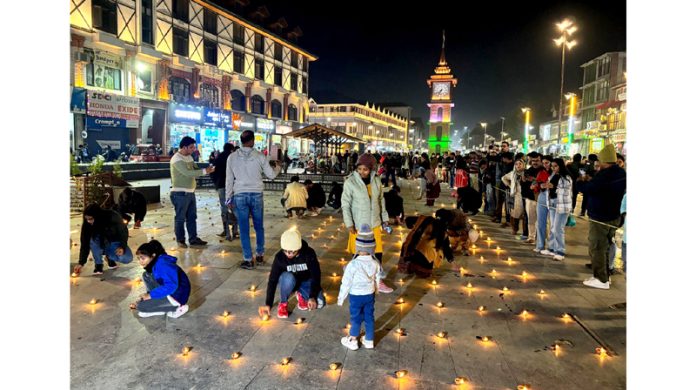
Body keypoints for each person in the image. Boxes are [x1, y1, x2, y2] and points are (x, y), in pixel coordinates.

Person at [226, 130, 281, 270]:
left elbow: (229, 180)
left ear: (241, 141)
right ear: (252, 141)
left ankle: (248, 259)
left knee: (244, 228)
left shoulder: (232, 157)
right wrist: (278, 167)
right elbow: (271, 176)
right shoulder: (260, 156)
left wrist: (228, 198)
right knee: (258, 226)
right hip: (256, 194)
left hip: (240, 194)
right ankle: (260, 254)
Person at [341, 153, 393, 293]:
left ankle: (378, 280)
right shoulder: (350, 182)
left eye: (365, 169)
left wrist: (384, 218)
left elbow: (381, 200)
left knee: (378, 252)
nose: (362, 172)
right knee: (359, 254)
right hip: (359, 225)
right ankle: (354, 277)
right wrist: (349, 223)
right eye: (360, 169)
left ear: (371, 168)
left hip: (375, 223)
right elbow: (345, 205)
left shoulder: (376, 180)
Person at [577, 144, 626, 289]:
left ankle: (601, 279)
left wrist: (581, 181)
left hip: (601, 216)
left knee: (597, 247)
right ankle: (605, 276)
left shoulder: (605, 174)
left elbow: (588, 189)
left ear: (605, 161)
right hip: (614, 215)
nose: (598, 163)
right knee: (605, 247)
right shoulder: (621, 173)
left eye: (599, 161)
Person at [258, 228, 325, 319]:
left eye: (292, 251)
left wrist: (312, 296)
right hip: (289, 280)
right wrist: (268, 304)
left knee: (320, 303)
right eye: (285, 251)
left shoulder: (309, 253)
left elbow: (316, 275)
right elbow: (272, 280)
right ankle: (283, 303)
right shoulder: (279, 257)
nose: (288, 254)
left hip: (305, 281)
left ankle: (300, 294)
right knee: (288, 277)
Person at [338, 225, 383, 350]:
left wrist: (341, 298)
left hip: (356, 296)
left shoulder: (353, 264)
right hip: (369, 294)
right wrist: (377, 290)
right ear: (372, 248)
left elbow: (346, 282)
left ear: (357, 247)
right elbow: (377, 278)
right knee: (369, 316)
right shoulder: (375, 263)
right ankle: (369, 340)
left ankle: (352, 339)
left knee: (356, 317)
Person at [170, 136, 214, 248]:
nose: (193, 149)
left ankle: (193, 239)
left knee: (192, 217)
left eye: (193, 147)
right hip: (179, 193)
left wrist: (207, 169)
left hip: (190, 192)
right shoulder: (176, 159)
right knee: (180, 218)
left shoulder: (189, 157)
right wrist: (205, 171)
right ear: (184, 147)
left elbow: (194, 169)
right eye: (191, 147)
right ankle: (180, 240)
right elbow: (188, 173)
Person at [129, 240, 191, 318]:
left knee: (141, 307)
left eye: (143, 258)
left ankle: (178, 308)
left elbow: (171, 286)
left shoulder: (163, 265)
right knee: (146, 275)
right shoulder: (157, 262)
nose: (140, 262)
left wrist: (150, 295)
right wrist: (148, 296)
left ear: (153, 255)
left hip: (178, 295)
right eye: (138, 258)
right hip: (171, 290)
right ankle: (157, 304)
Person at [73, 203, 133, 275]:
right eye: (86, 219)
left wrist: (122, 247)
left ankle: (109, 257)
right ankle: (98, 264)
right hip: (99, 245)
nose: (88, 221)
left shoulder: (112, 216)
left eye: (91, 219)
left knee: (127, 258)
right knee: (92, 239)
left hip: (113, 242)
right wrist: (81, 263)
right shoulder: (87, 225)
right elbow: (84, 243)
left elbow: (123, 232)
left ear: (97, 216)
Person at [539, 158, 573, 261]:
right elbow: (550, 187)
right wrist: (545, 186)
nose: (553, 168)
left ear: (561, 166)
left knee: (558, 228)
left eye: (555, 166)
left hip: (562, 205)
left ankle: (560, 251)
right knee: (553, 227)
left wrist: (553, 186)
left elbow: (566, 192)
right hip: (552, 203)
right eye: (552, 166)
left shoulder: (566, 177)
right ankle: (551, 248)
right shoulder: (553, 175)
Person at [211, 143, 237, 241]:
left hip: (221, 186)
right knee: (234, 207)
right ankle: (235, 231)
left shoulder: (218, 158)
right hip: (233, 186)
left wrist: (216, 183)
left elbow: (212, 171)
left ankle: (226, 232)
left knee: (224, 208)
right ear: (231, 149)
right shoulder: (234, 158)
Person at [502, 159, 528, 238]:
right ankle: (515, 229)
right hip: (516, 195)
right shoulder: (513, 173)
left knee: (526, 215)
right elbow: (503, 178)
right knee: (515, 213)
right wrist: (510, 186)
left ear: (524, 165)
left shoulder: (526, 173)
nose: (518, 165)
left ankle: (525, 233)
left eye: (520, 164)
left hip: (526, 195)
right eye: (516, 164)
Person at [534, 155, 553, 254]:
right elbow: (536, 184)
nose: (545, 165)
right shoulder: (541, 172)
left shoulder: (556, 173)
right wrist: (536, 185)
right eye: (544, 163)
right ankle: (540, 245)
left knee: (553, 224)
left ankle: (551, 247)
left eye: (547, 163)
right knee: (540, 222)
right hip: (542, 196)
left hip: (553, 198)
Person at [521, 152, 542, 243]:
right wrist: (523, 180)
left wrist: (534, 180)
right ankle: (531, 237)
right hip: (530, 198)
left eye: (537, 160)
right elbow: (523, 185)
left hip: (542, 199)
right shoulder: (528, 171)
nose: (534, 163)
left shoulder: (544, 171)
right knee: (531, 219)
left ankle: (541, 239)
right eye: (533, 161)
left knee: (542, 221)